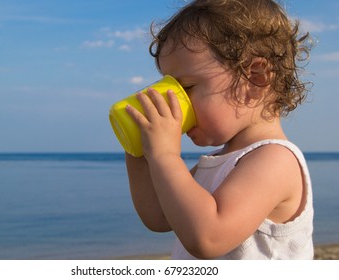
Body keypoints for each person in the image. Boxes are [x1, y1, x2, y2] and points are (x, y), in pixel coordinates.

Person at [125, 0, 314, 259]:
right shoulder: (216, 161)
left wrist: (165, 156)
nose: (176, 103)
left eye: (187, 88)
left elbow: (208, 238)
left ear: (255, 79)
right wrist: (140, 153)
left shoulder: (276, 160)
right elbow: (159, 216)